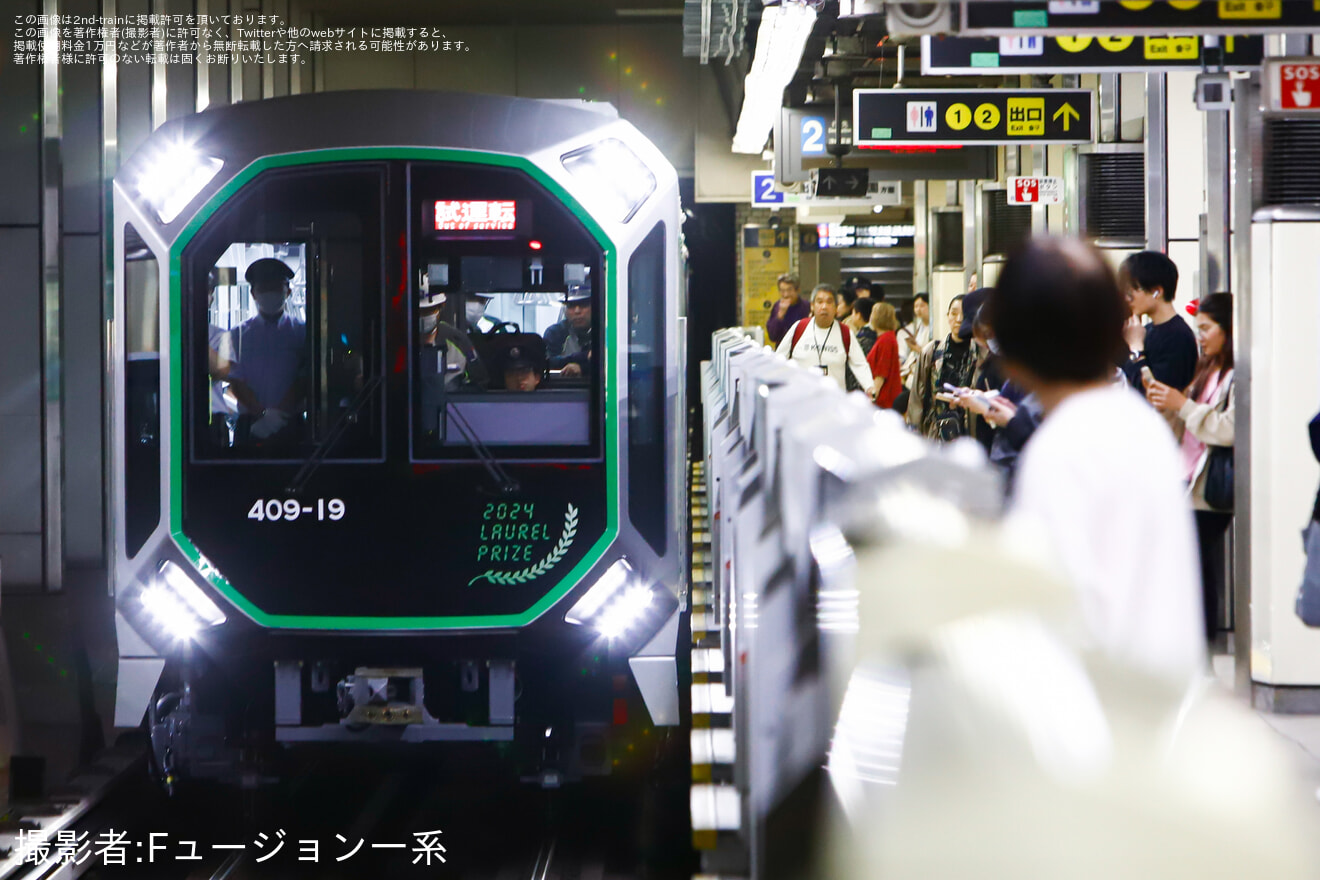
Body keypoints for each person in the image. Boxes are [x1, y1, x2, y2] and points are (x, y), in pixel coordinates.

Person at [987, 237, 1204, 685]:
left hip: (1103, 710)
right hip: (1164, 697)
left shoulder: (1060, 448)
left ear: (1014, 354)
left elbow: (1061, 614)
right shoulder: (1137, 426)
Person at [1145, 292, 1235, 642]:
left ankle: (1202, 649)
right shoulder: (1206, 369)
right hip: (1186, 478)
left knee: (1195, 569)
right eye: (1199, 328)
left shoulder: (1234, 376)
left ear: (1229, 329)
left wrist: (1181, 404)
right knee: (1191, 568)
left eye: (1207, 328)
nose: (1201, 336)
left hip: (1207, 486)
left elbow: (1227, 429)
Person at [227, 258, 307, 442]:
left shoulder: (302, 331)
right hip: (251, 424)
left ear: (288, 291)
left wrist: (277, 416)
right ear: (253, 294)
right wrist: (262, 414)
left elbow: (305, 377)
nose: (269, 293)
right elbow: (236, 380)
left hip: (290, 424)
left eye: (276, 287)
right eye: (264, 289)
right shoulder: (238, 334)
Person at [776, 284, 878, 398]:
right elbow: (778, 360)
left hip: (834, 403)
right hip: (801, 401)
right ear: (812, 306)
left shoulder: (845, 333)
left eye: (829, 302)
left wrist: (869, 386)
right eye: (819, 302)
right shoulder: (799, 328)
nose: (824, 306)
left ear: (836, 307)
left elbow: (859, 364)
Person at [1119, 251, 1197, 395]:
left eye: (1132, 291)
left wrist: (1136, 349)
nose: (1128, 298)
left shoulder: (1178, 336)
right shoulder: (1146, 330)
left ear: (1157, 292)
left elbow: (1154, 396)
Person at [912, 294, 977, 442]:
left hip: (968, 432)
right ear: (947, 316)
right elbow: (917, 395)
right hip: (936, 430)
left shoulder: (979, 354)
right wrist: (915, 431)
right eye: (954, 313)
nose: (959, 319)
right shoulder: (932, 351)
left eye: (964, 315)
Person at [543, 291, 593, 377]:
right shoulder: (555, 332)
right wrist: (584, 356)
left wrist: (583, 368)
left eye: (583, 305)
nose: (577, 311)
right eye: (571, 306)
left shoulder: (606, 332)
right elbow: (547, 362)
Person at [865, 302, 902, 410]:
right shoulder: (887, 338)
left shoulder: (886, 340)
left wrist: (872, 396)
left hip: (884, 401)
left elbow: (881, 372)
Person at [765, 273, 809, 346]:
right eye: (782, 291)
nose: (786, 294)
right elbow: (772, 336)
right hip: (782, 349)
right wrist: (780, 315)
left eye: (789, 290)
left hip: (802, 347)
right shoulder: (777, 306)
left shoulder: (806, 306)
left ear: (798, 290)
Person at [899, 293, 932, 384]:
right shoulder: (919, 327)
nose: (918, 309)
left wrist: (916, 348)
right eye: (916, 306)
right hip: (913, 371)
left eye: (922, 306)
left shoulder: (933, 327)